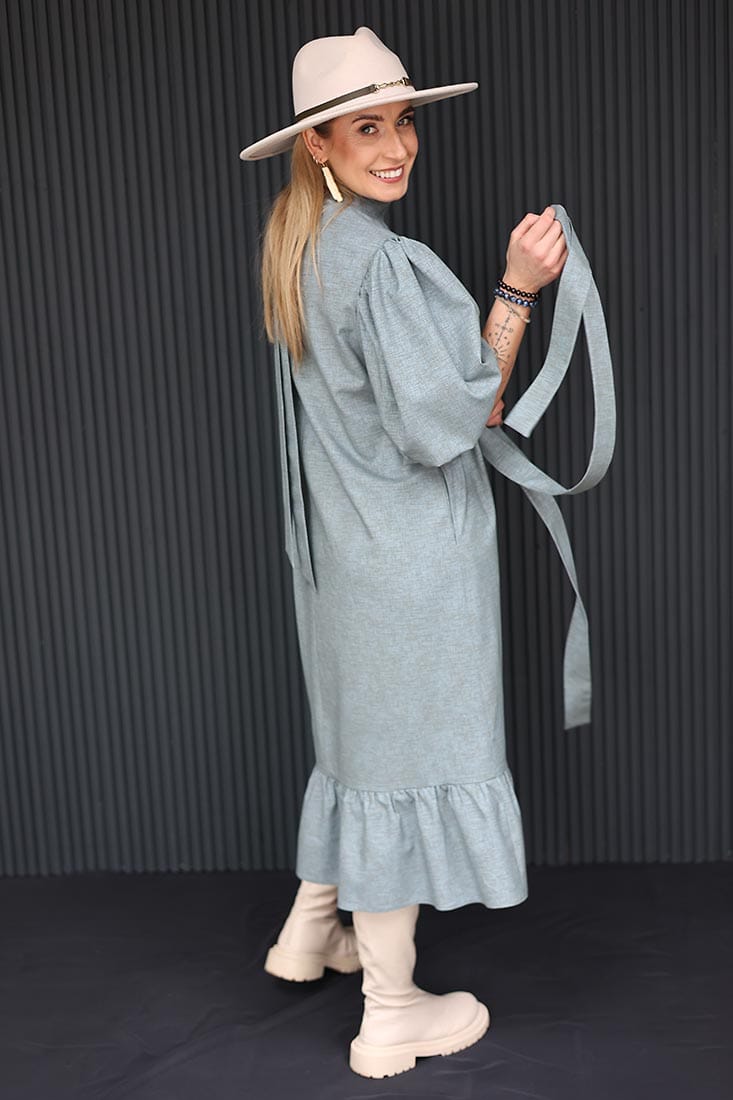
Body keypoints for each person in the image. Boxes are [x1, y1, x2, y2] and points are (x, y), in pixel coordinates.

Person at [240, 27, 568, 1079]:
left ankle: (309, 933)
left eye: (404, 122)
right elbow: (455, 419)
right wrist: (516, 290)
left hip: (344, 558)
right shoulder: (381, 261)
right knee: (396, 767)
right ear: (319, 145)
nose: (396, 147)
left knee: (360, 750)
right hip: (410, 563)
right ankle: (389, 1011)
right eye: (367, 129)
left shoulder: (298, 246)